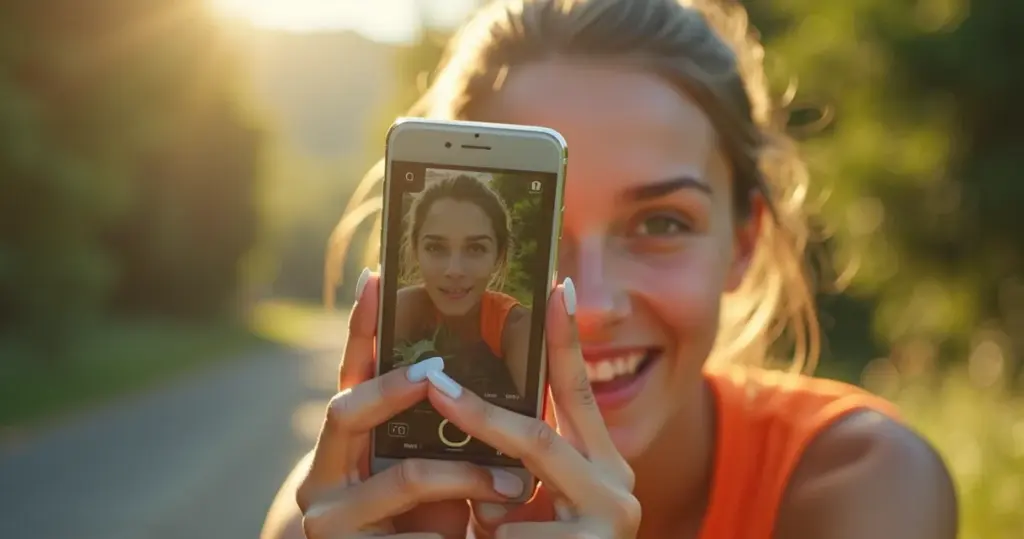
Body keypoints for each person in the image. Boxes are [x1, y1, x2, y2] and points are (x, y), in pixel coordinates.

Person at [261, 1, 958, 538]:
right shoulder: (333, 516)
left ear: (743, 242)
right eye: (547, 230)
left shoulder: (864, 483)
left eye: (661, 224)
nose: (589, 303)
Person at [393, 173, 531, 402]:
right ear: (415, 251)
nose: (454, 270)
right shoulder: (405, 310)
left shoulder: (516, 328)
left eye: (475, 249)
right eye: (436, 248)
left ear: (498, 255)